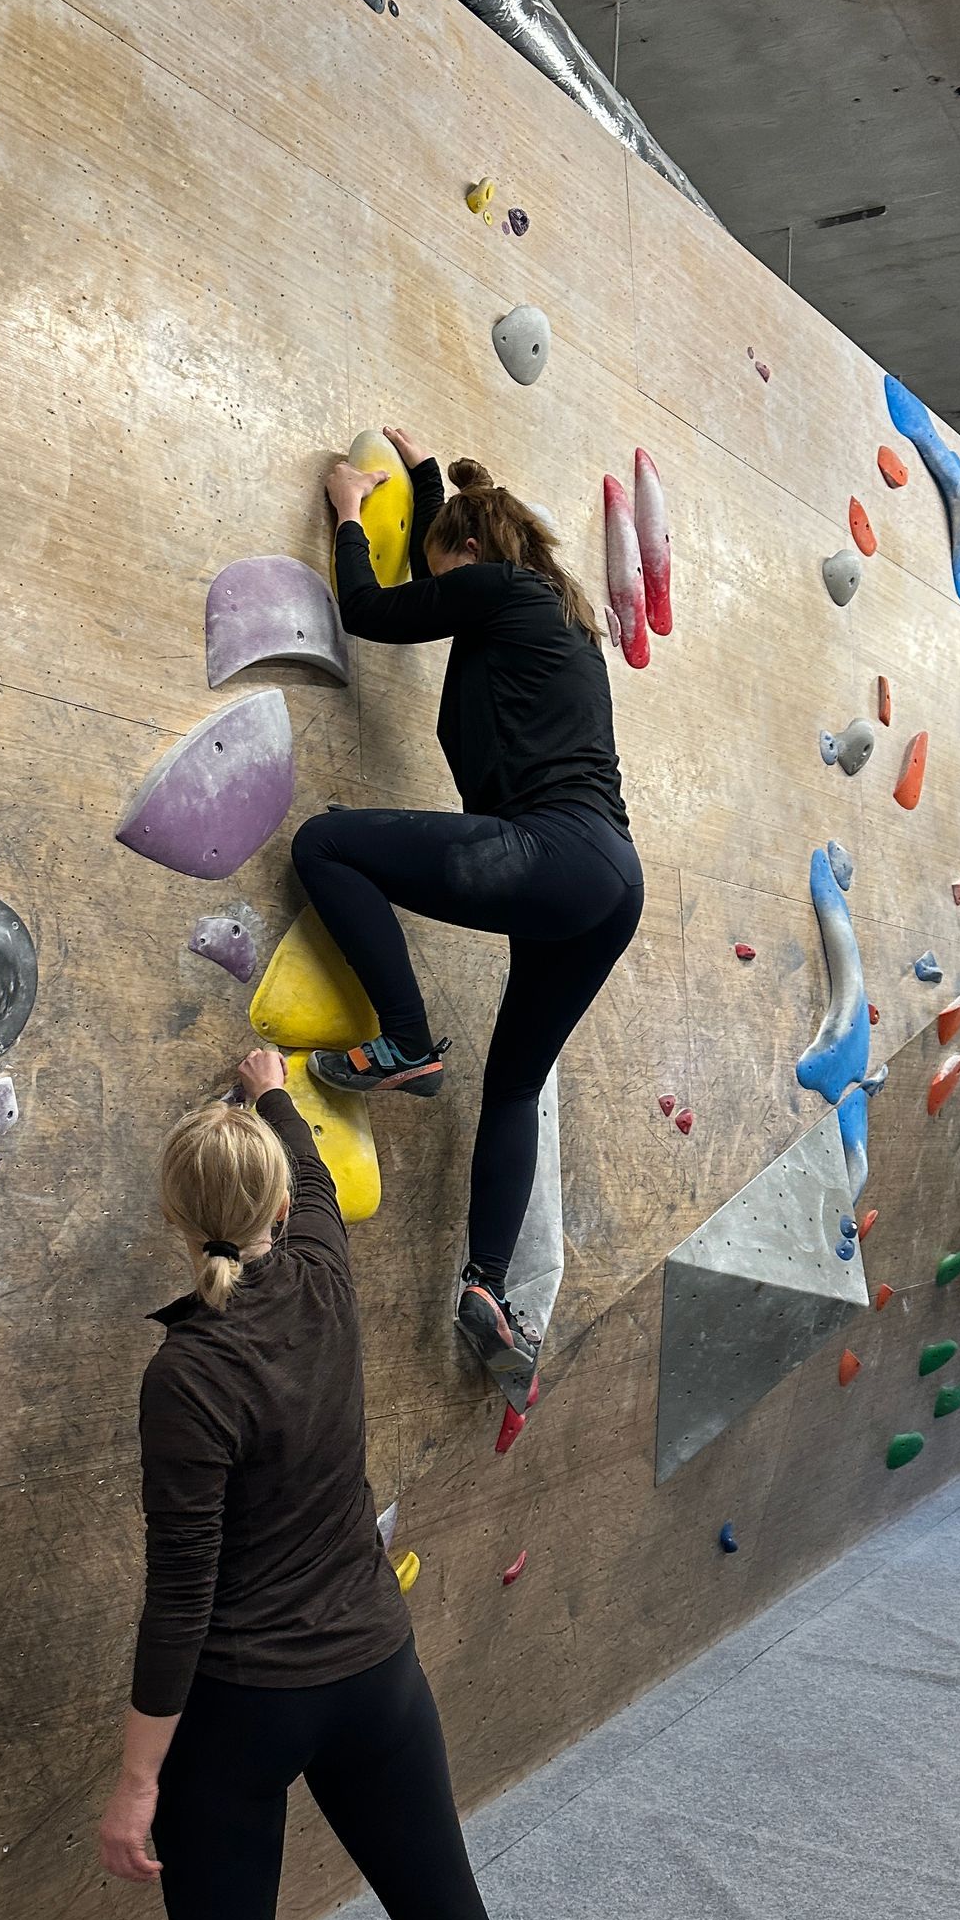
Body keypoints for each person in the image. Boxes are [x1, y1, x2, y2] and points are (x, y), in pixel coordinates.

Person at [99, 1045, 664, 1920]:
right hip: (374, 1683)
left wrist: (139, 1780)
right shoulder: (322, 1271)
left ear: (176, 1218)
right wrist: (271, 1085)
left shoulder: (184, 1373)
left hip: (244, 1718)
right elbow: (306, 1165)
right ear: (278, 1209)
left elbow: (180, 1603)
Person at [294, 433, 643, 1401]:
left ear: (470, 560)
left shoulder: (502, 592)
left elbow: (371, 609)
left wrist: (352, 512)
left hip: (556, 854)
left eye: (442, 566)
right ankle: (487, 1289)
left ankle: (404, 1040)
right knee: (514, 1087)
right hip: (608, 885)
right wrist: (424, 480)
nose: (440, 587)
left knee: (326, 843)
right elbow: (439, 585)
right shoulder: (551, 612)